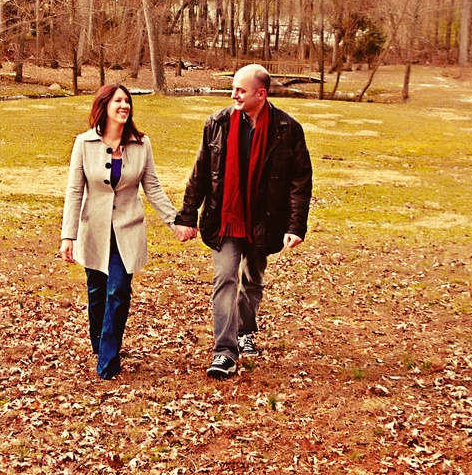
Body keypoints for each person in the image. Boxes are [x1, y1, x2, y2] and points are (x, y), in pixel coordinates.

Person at [175, 64, 312, 379]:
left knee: (252, 280)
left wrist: (295, 226)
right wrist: (187, 215)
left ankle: (245, 329)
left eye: (241, 89)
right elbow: (200, 172)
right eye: (233, 88)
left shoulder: (287, 129)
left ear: (261, 94)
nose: (233, 94)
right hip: (225, 218)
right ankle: (224, 352)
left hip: (265, 220)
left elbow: (299, 181)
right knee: (225, 277)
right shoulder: (218, 123)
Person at [60, 84, 181, 380]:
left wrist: (175, 222)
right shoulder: (84, 143)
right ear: (104, 106)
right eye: (118, 101)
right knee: (97, 292)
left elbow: (152, 187)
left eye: (127, 101)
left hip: (127, 229)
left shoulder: (142, 144)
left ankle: (108, 361)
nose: (124, 105)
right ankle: (99, 344)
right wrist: (68, 235)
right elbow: (75, 191)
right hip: (94, 230)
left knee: (118, 290)